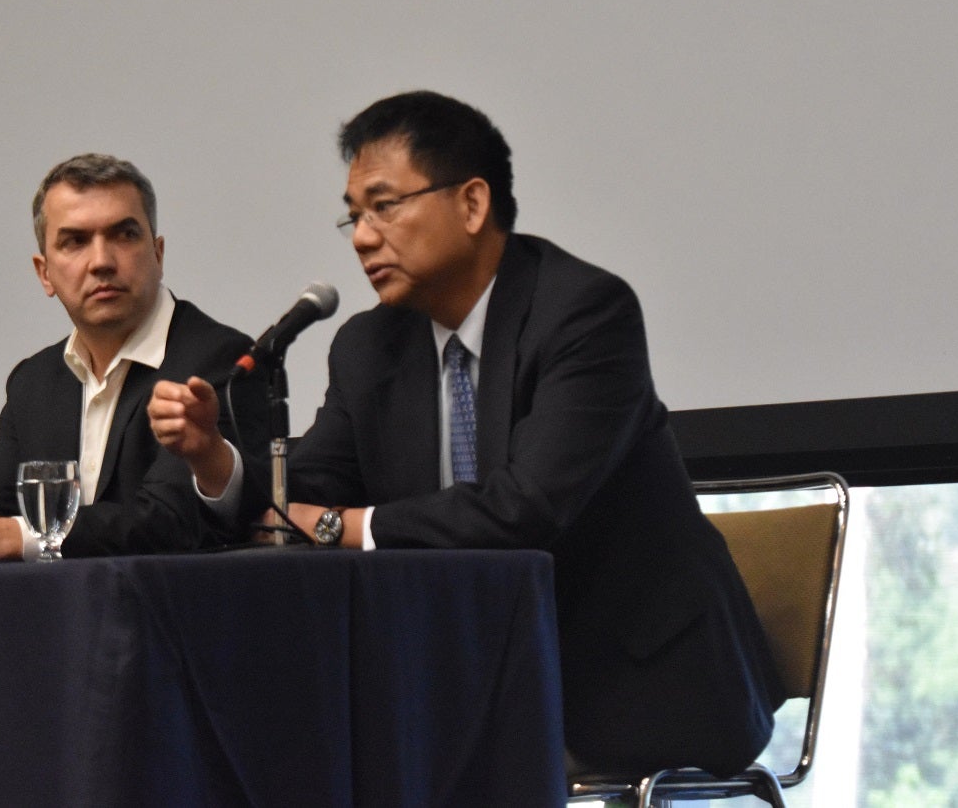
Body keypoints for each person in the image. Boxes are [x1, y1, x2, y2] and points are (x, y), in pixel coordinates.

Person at [155, 91, 783, 777]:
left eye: (384, 205)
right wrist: (215, 460)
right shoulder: (369, 346)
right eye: (353, 215)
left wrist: (342, 527)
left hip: (634, 683)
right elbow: (308, 490)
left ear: (473, 204)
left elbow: (527, 509)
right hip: (459, 685)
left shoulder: (584, 314)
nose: (363, 236)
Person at [0, 154, 269, 559]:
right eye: (75, 241)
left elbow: (169, 521)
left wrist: (9, 538)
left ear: (158, 254)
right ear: (45, 273)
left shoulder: (221, 359)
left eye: (124, 235)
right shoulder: (34, 381)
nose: (102, 261)